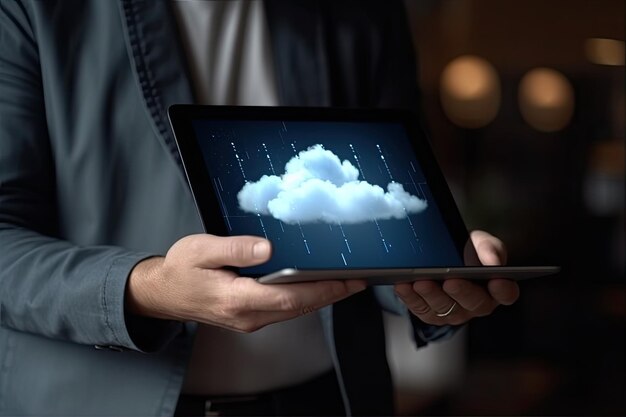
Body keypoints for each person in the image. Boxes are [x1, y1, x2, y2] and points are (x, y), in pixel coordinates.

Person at [0, 1, 519, 415]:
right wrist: (146, 287)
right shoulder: (30, 10)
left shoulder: (363, 11)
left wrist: (434, 275)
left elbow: (392, 210)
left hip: (330, 400)